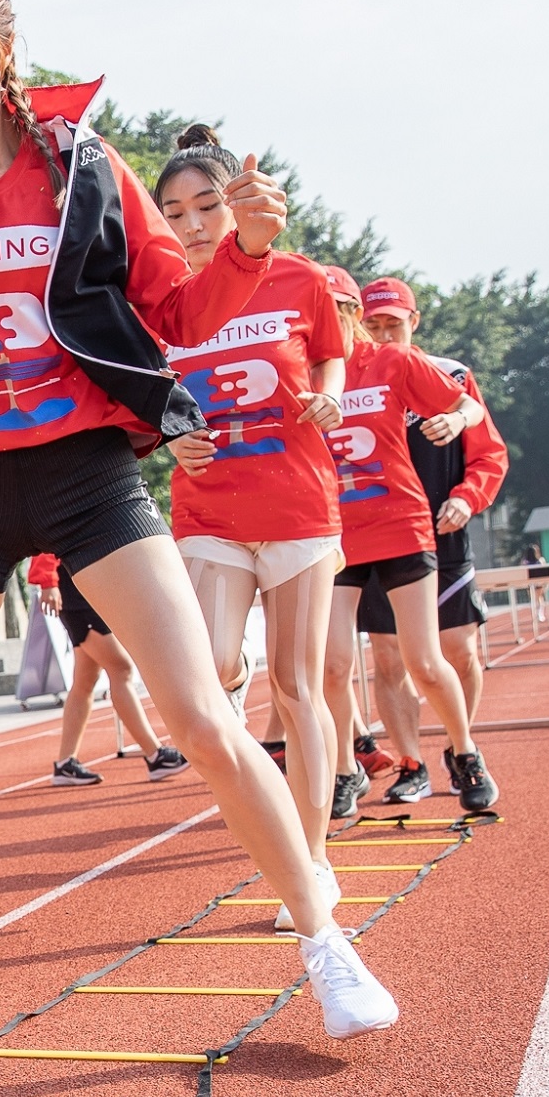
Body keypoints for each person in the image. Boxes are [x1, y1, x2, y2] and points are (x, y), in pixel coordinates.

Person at [0, 0, 398, 1069]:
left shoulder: (81, 169)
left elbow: (175, 312)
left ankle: (323, 939)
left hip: (87, 473)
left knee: (200, 717)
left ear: (4, 51)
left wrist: (247, 252)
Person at [154, 125, 348, 929]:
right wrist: (167, 433)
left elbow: (334, 355)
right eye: (174, 212)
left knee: (299, 686)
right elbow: (141, 401)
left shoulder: (297, 278)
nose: (193, 224)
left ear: (236, 202)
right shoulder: (159, 305)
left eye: (206, 205)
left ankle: (311, 859)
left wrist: (330, 393)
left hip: (297, 504)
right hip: (209, 507)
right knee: (216, 664)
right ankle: (254, 790)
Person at [323, 278, 500, 816]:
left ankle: (465, 753)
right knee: (333, 666)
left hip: (403, 525)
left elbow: (470, 411)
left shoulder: (396, 363)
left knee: (429, 659)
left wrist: (456, 418)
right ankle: (352, 769)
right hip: (335, 536)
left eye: (333, 311)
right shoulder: (300, 371)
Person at [27, 553, 189, 785]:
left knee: (85, 679)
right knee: (120, 668)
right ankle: (155, 754)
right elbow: (46, 531)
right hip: (73, 587)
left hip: (85, 584)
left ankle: (65, 764)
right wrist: (48, 581)